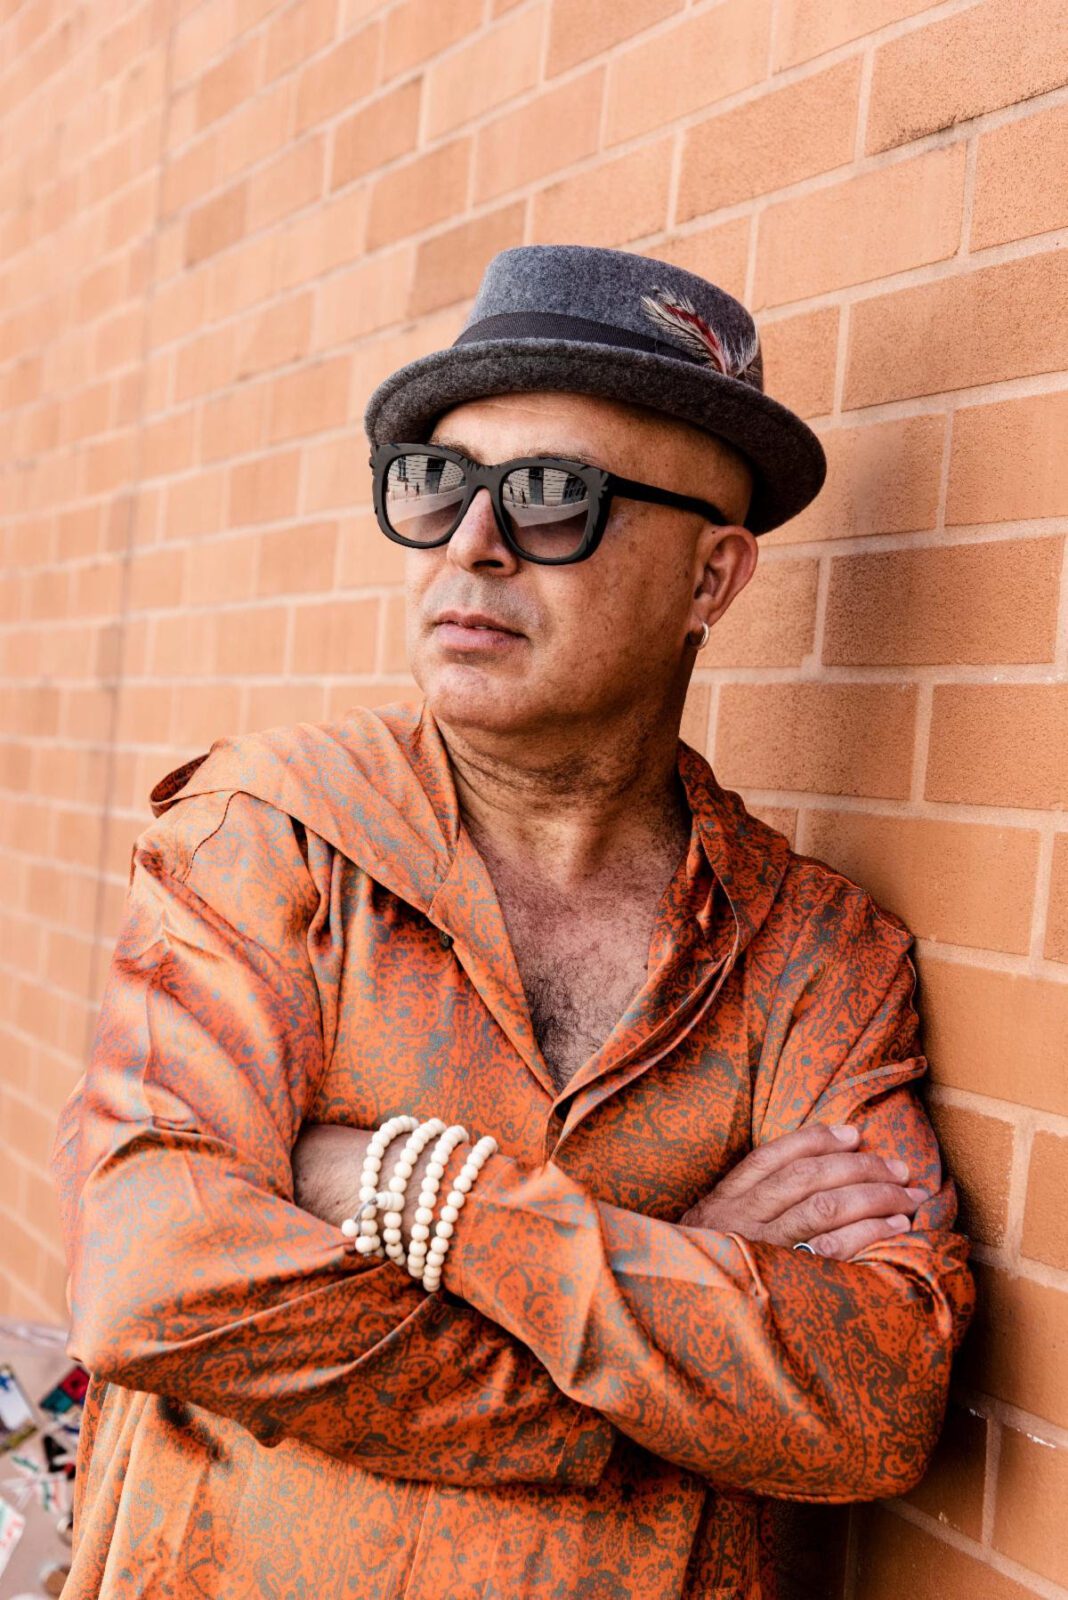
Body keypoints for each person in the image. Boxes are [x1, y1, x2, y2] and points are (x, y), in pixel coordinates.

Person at [50, 244, 974, 1599]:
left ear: (711, 581)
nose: (469, 544)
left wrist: (430, 1196)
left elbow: (876, 1395)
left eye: (552, 497)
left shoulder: (814, 955)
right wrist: (665, 1327)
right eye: (436, 484)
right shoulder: (269, 838)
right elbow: (158, 1280)